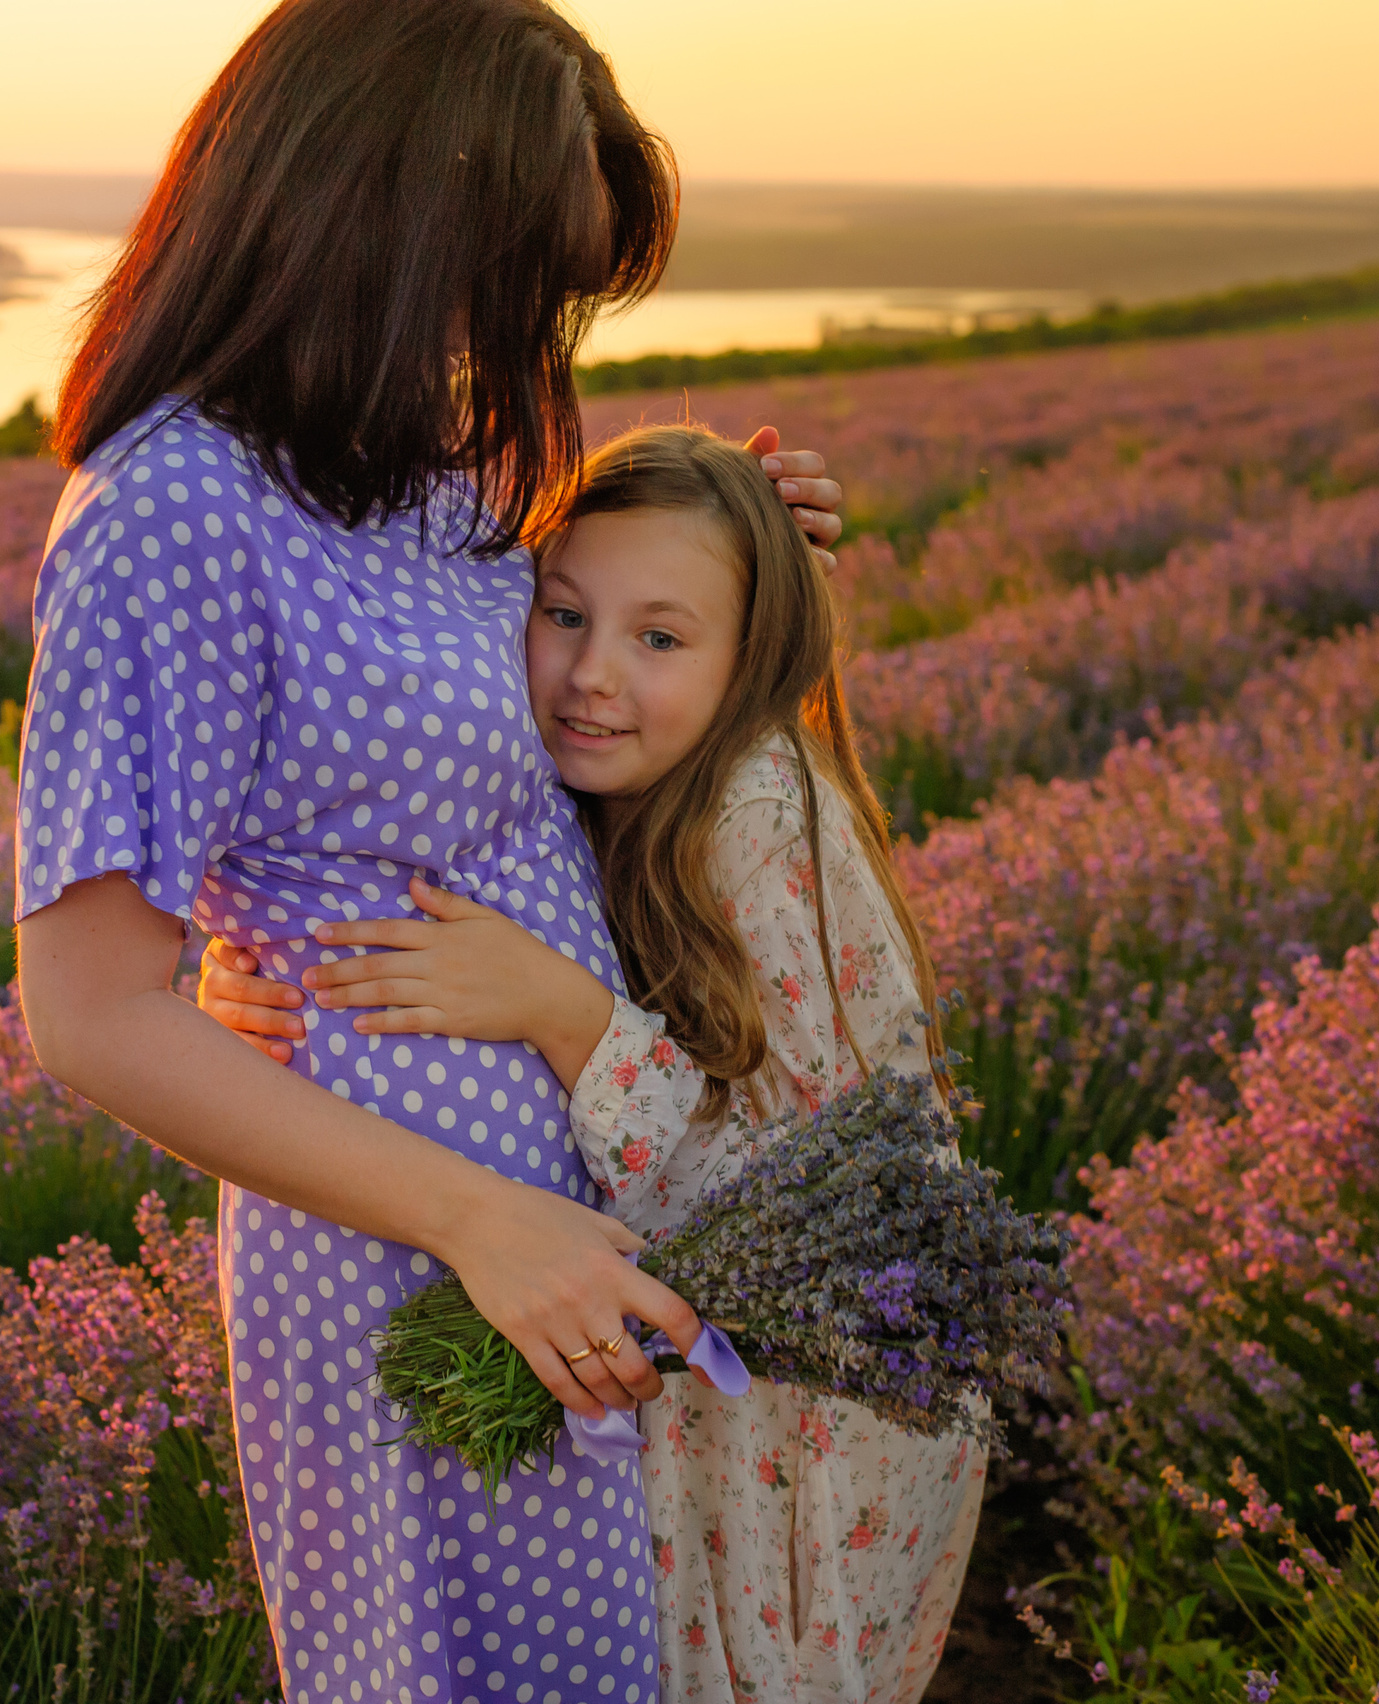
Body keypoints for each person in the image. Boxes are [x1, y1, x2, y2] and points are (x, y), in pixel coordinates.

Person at [9, 3, 846, 1698]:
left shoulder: (418, 469)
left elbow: (526, 729)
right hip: (411, 1265)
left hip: (573, 1226)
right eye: (514, 276)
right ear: (378, 216)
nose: (524, 331)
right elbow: (91, 1008)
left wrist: (731, 543)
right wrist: (486, 1217)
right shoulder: (172, 510)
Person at [198, 425, 983, 1703]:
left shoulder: (758, 815)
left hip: (797, 1444)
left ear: (752, 665)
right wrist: (254, 971)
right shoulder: (582, 787)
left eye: (659, 639)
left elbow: (821, 1199)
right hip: (691, 1424)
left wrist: (565, 1015)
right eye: (562, 614)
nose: (588, 676)